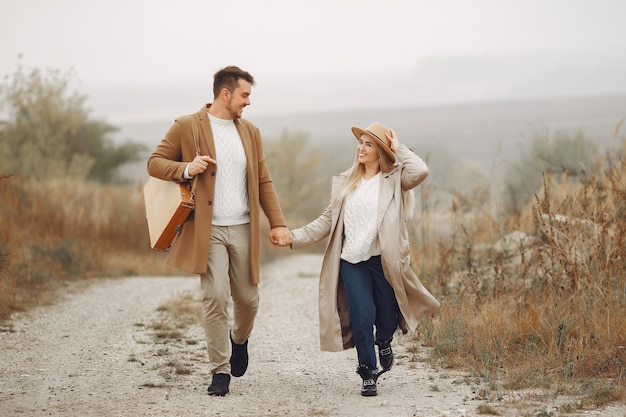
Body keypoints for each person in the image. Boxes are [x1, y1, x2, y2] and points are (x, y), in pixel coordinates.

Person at [147, 66, 291, 396]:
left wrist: (278, 222)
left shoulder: (251, 132)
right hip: (206, 230)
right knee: (214, 297)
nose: (248, 102)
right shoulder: (187, 125)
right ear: (225, 94)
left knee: (248, 299)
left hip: (242, 226)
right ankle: (219, 370)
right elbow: (155, 162)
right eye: (244, 95)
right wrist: (186, 168)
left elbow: (263, 180)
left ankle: (239, 340)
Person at [286, 122, 440, 396]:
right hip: (351, 261)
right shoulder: (347, 181)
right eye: (360, 143)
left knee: (386, 317)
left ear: (380, 150)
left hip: (383, 262)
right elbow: (327, 221)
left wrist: (398, 147)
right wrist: (293, 237)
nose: (361, 148)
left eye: (368, 144)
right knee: (360, 316)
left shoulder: (394, 180)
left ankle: (384, 340)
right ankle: (367, 372)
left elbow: (421, 171)